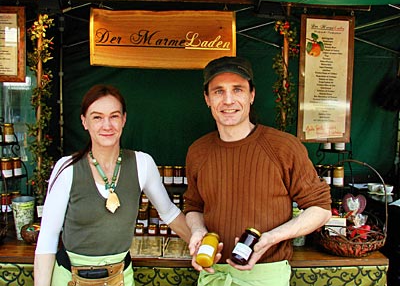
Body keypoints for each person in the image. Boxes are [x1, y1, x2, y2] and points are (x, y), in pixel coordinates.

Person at [184, 56, 332, 285]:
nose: (229, 100)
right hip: (213, 274)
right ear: (207, 98)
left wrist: (271, 238)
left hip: (266, 276)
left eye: (238, 90)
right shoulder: (198, 151)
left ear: (251, 95)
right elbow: (194, 207)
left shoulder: (284, 147)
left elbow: (320, 209)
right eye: (218, 91)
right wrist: (197, 231)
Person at [34, 84, 191, 286]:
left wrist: (201, 244)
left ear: (124, 119)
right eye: (97, 117)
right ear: (84, 122)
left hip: (120, 278)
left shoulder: (142, 163)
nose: (107, 125)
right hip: (70, 279)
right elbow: (48, 237)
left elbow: (169, 213)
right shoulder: (67, 168)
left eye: (114, 116)